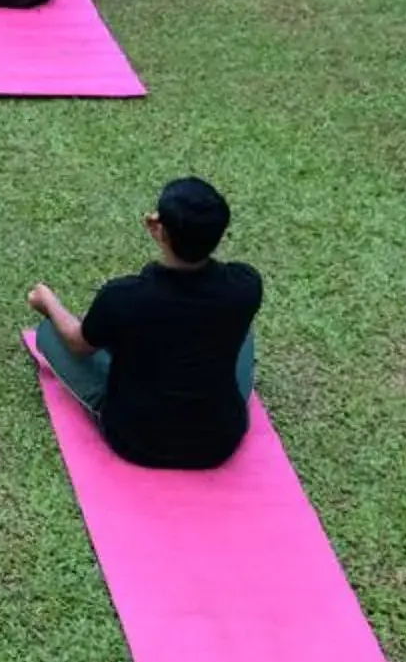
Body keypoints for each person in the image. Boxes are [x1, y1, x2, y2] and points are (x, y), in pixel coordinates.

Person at [24, 177, 262, 471]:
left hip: (136, 440)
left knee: (51, 332)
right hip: (219, 440)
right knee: (238, 330)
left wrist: (47, 301)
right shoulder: (245, 286)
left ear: (156, 227)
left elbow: (78, 344)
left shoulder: (123, 297)